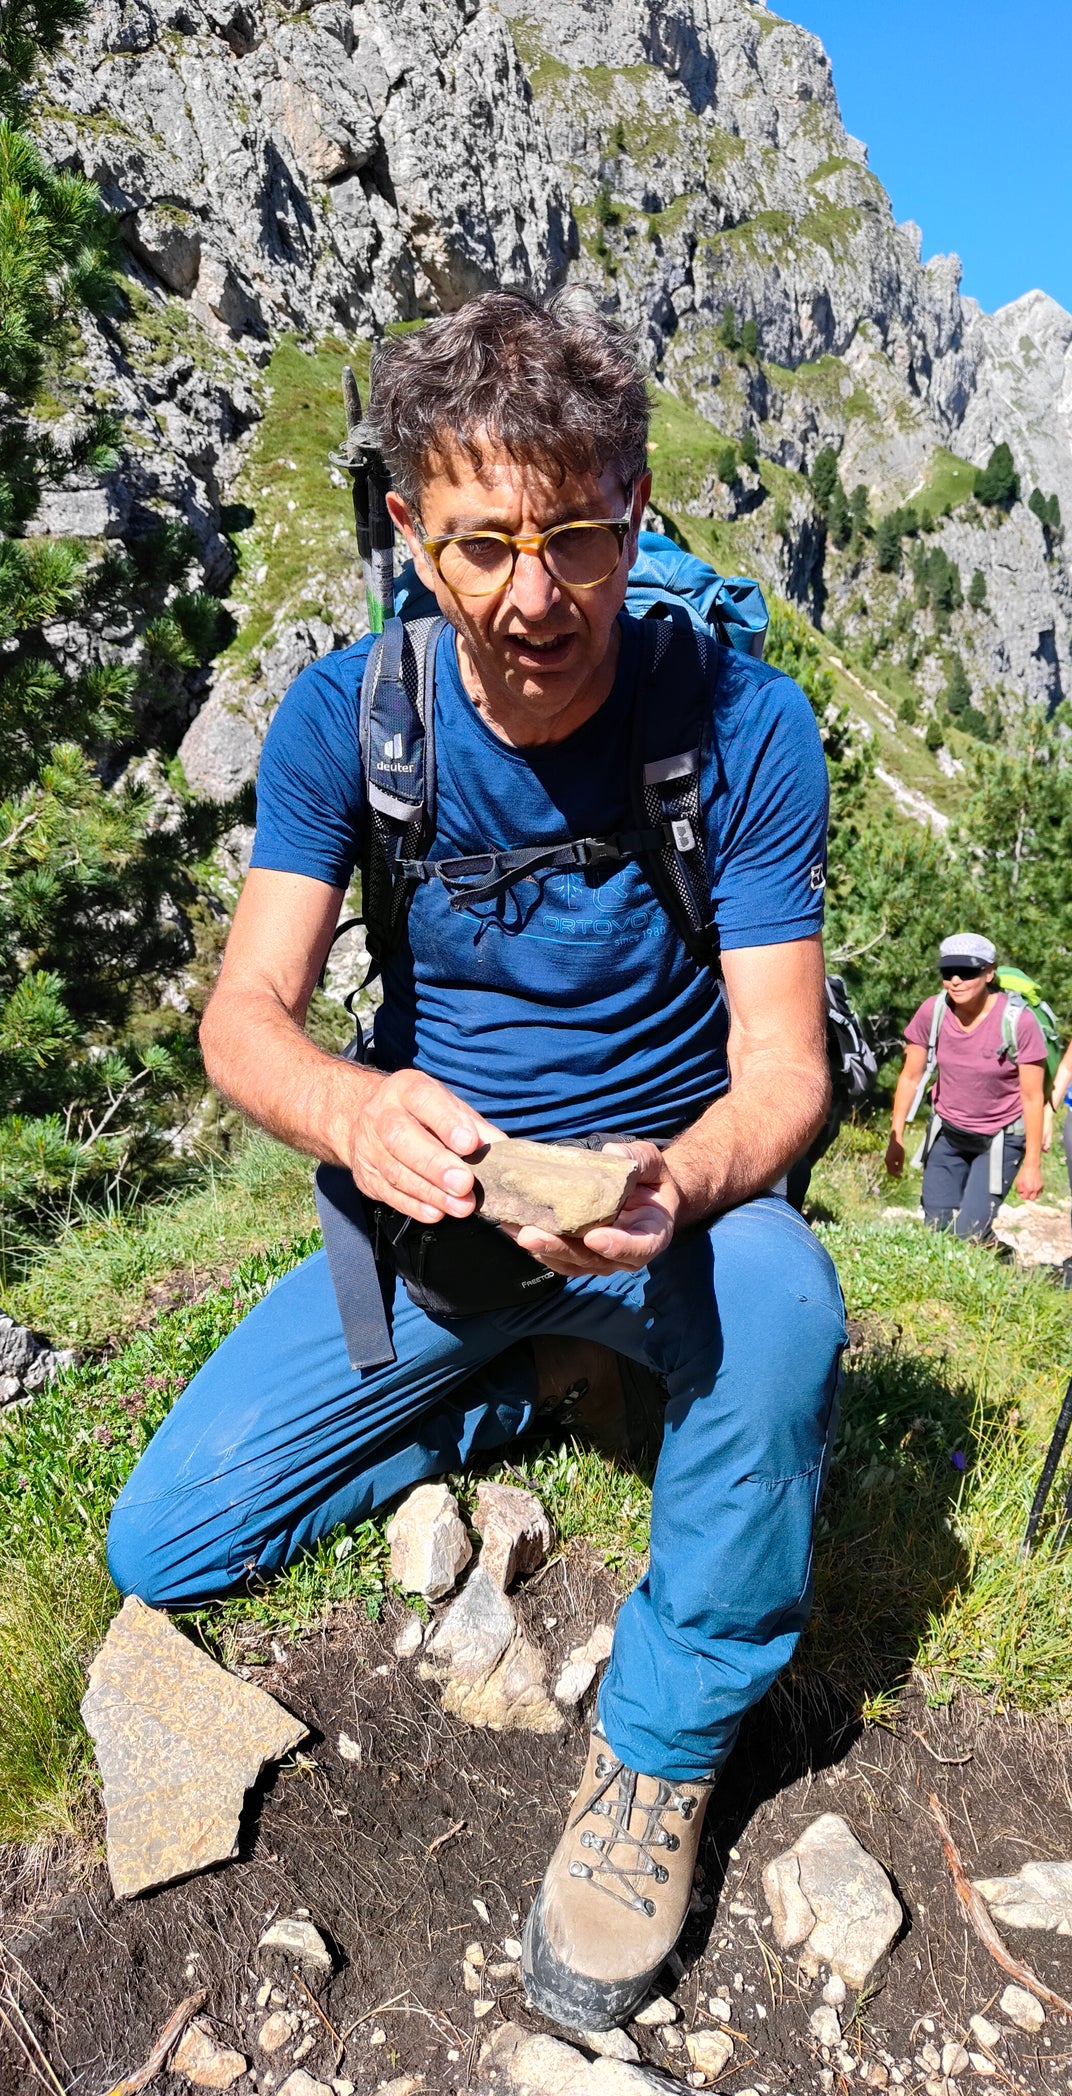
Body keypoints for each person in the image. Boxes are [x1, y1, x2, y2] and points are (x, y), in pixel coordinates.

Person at [105, 290, 846, 2033]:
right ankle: (521, 1382)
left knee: (786, 1314)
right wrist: (358, 1116)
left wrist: (677, 1177)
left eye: (578, 538)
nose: (535, 596)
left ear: (636, 510)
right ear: (406, 530)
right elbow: (244, 1021)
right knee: (166, 1542)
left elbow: (786, 1075)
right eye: (483, 543)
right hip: (437, 1224)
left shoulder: (739, 724)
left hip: (672, 1211)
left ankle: (657, 1759)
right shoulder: (344, 722)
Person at [885, 932, 1046, 1238]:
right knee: (936, 1229)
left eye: (968, 971)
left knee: (968, 1234)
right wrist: (897, 1136)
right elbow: (909, 1077)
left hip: (1000, 1139)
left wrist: (1032, 1165)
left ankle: (998, 1257)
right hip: (949, 1134)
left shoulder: (1018, 1023)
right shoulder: (933, 1012)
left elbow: (1032, 1097)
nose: (956, 980)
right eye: (948, 972)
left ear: (989, 972)